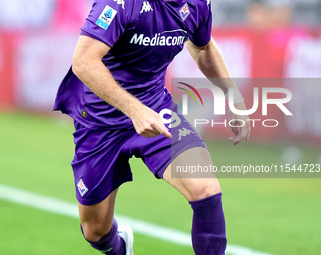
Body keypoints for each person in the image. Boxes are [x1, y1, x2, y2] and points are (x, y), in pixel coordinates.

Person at [53, 0, 251, 254]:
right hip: (99, 122)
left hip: (156, 110)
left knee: (206, 189)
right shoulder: (119, 4)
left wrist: (232, 95)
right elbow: (83, 61)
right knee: (95, 230)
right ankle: (120, 247)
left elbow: (203, 48)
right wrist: (134, 110)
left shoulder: (198, 4)